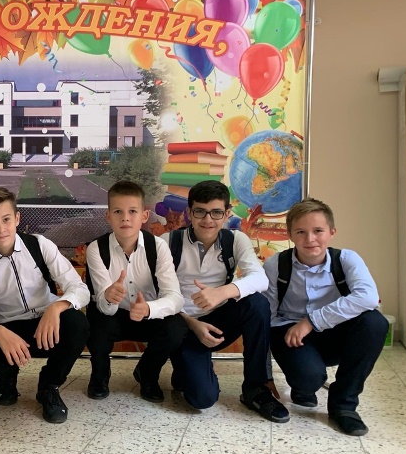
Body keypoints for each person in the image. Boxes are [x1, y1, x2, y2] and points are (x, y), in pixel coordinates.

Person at [163, 180, 289, 422]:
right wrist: (192, 323)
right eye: (200, 211)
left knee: (257, 304)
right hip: (183, 324)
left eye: (216, 212)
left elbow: (260, 279)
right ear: (189, 213)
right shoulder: (168, 242)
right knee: (202, 399)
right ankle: (189, 371)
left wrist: (221, 293)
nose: (208, 220)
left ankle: (255, 388)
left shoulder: (235, 240)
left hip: (221, 321)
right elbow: (154, 293)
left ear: (227, 214)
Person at [0, 187, 89, 423]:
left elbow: (79, 288)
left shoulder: (39, 245)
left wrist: (56, 307)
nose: (1, 229)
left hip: (47, 324)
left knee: (77, 324)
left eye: (6, 219)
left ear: (17, 218)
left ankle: (49, 386)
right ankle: (7, 376)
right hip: (9, 329)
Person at [263, 197, 388, 436]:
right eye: (301, 232)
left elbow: (369, 298)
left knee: (374, 322)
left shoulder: (347, 259)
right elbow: (266, 317)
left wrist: (311, 321)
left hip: (334, 332)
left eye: (318, 231)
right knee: (309, 377)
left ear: (332, 232)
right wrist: (265, 374)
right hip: (291, 334)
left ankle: (344, 406)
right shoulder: (276, 265)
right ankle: (303, 385)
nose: (310, 239)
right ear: (290, 235)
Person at [85, 180, 186, 402]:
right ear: (108, 216)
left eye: (132, 211)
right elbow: (103, 305)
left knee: (176, 327)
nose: (125, 218)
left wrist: (149, 309)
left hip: (148, 315)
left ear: (144, 216)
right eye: (118, 212)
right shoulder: (96, 249)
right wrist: (109, 297)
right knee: (94, 320)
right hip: (113, 316)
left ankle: (147, 373)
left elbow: (175, 298)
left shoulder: (158, 246)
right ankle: (100, 374)